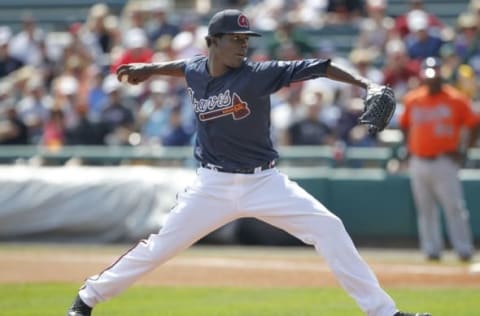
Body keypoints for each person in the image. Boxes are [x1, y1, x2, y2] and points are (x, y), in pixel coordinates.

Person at [67, 9, 431, 316]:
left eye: (246, 39)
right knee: (158, 248)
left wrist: (367, 84)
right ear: (213, 41)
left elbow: (321, 66)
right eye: (235, 39)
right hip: (212, 186)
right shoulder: (196, 69)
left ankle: (384, 313)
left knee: (330, 228)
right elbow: (187, 66)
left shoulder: (257, 74)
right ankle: (86, 300)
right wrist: (150, 69)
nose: (243, 45)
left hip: (264, 183)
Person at [399, 56, 479, 262]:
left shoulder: (456, 99)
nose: (431, 79)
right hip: (419, 160)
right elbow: (405, 124)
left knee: (454, 207)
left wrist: (464, 150)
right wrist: (409, 147)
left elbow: (473, 123)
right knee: (425, 209)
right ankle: (431, 250)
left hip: (445, 160)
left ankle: (463, 249)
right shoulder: (413, 98)